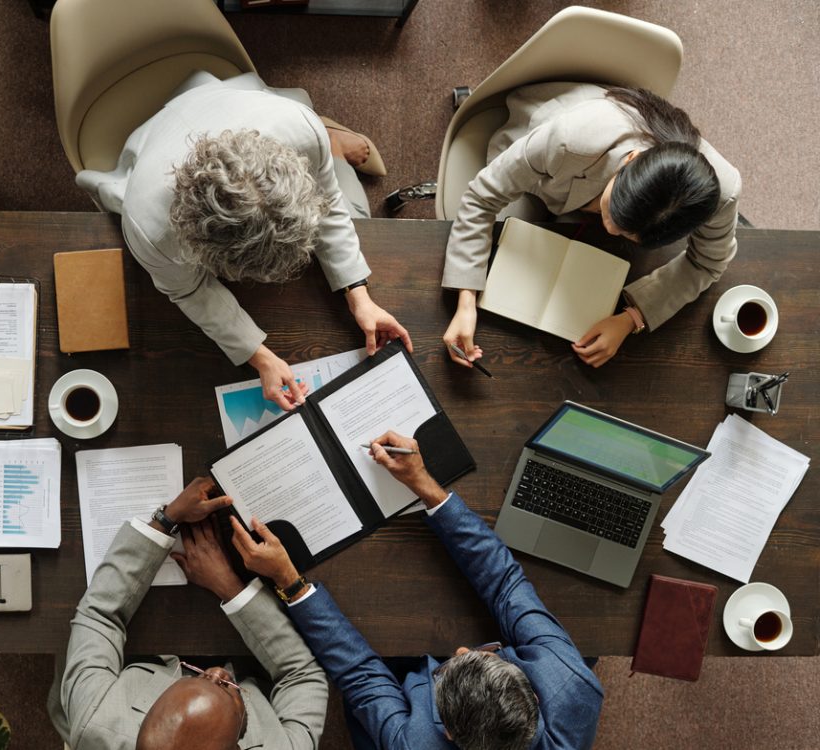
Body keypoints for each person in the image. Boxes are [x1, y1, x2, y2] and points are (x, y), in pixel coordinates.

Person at [228, 432, 603, 750]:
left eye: (452, 665)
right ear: (533, 696)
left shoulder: (415, 742)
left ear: (450, 734)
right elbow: (505, 582)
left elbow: (360, 674)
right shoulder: (571, 684)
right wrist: (424, 484)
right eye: (482, 657)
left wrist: (290, 582)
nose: (459, 649)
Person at [78, 71, 411, 410]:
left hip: (244, 109)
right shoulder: (151, 231)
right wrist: (260, 357)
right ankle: (338, 146)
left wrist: (359, 296)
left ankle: (333, 141)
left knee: (349, 205)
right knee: (360, 210)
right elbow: (189, 289)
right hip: (156, 146)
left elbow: (327, 203)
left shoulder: (301, 128)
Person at [442, 82, 741, 369]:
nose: (610, 229)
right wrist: (466, 301)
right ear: (630, 160)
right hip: (539, 164)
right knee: (507, 234)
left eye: (627, 233)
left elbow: (707, 263)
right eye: (613, 212)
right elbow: (484, 196)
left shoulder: (722, 195)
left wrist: (631, 319)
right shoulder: (571, 138)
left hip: (578, 196)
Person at [48, 477, 329, 749]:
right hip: (254, 661)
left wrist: (166, 519)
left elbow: (98, 614)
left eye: (203, 677)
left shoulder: (98, 721)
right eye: (227, 690)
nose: (217, 671)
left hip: (142, 649)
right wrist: (229, 586)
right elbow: (301, 673)